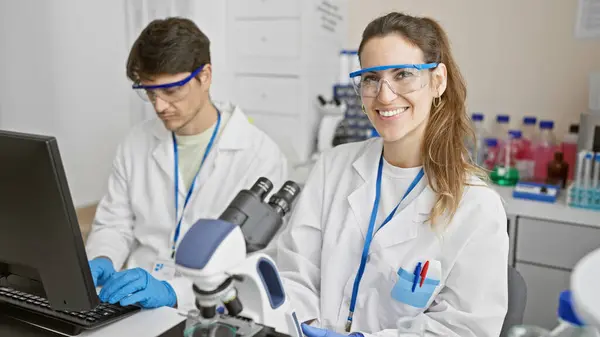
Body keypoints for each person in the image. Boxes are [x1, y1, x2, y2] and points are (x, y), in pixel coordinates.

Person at [273, 12, 508, 337]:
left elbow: (465, 329)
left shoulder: (477, 207)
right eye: (371, 78)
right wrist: (307, 324)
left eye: (403, 75)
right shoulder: (333, 167)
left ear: (437, 81)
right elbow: (294, 270)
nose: (384, 95)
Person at [84, 17, 288, 312]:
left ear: (204, 76)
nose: (159, 106)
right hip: (131, 305)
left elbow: (256, 264)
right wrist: (103, 256)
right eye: (149, 92)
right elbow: (114, 223)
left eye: (171, 91)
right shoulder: (135, 142)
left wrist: (173, 291)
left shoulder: (260, 156)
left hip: (208, 309)